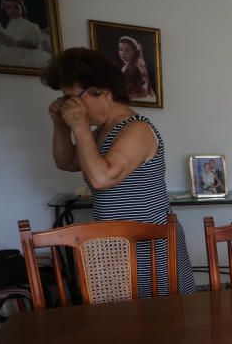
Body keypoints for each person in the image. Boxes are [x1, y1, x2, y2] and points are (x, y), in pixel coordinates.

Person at [41, 48, 196, 297]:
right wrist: (61, 126)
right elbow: (67, 162)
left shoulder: (137, 129)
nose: (69, 106)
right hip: (117, 242)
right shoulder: (99, 132)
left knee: (162, 320)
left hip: (150, 243)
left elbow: (102, 178)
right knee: (124, 320)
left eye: (72, 98)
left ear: (103, 91)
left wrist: (79, 127)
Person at [0, 0, 51, 69]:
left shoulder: (31, 26)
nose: (12, 10)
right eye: (8, 7)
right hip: (5, 52)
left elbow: (35, 46)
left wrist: (15, 42)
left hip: (25, 54)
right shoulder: (2, 24)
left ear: (22, 9)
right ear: (4, 8)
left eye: (16, 7)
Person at [117, 36, 156, 102]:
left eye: (127, 50)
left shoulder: (132, 68)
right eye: (120, 49)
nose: (123, 53)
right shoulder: (137, 64)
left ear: (135, 52)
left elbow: (131, 92)